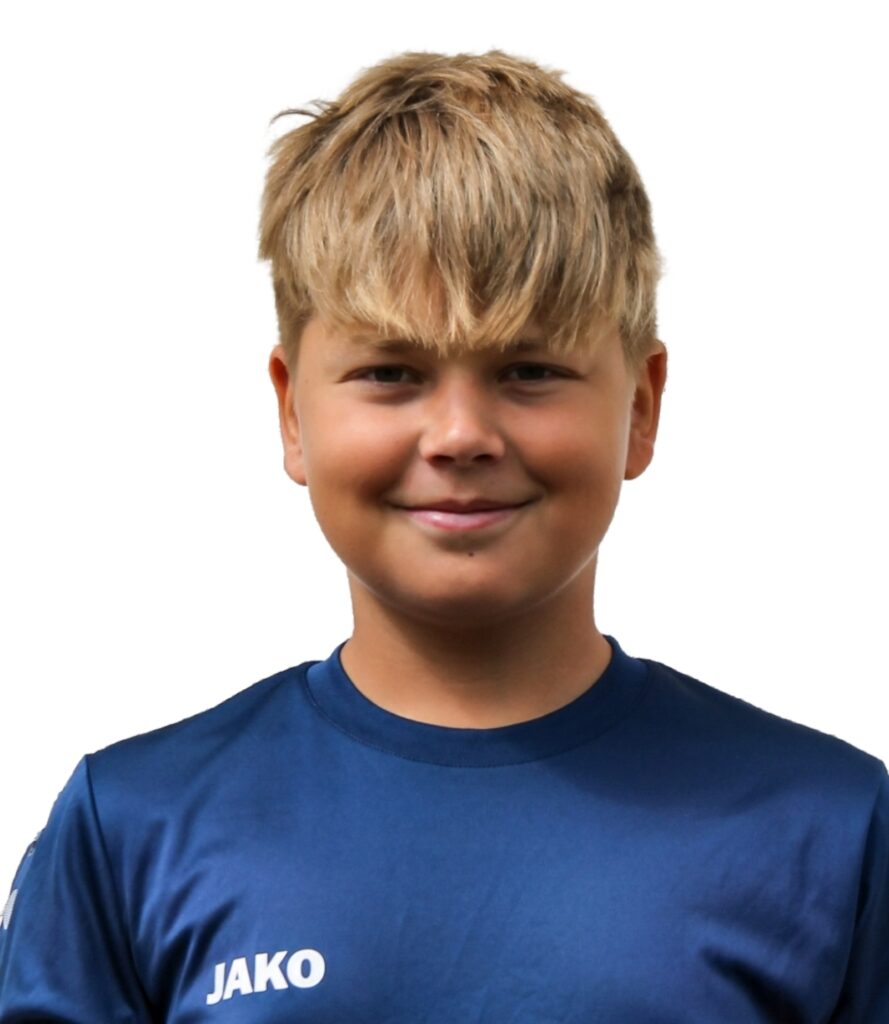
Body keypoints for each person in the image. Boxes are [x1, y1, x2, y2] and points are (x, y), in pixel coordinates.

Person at [0, 48, 886, 1023]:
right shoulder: (131, 829)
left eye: (528, 370)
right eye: (391, 373)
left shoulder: (832, 831)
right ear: (292, 412)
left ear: (640, 406)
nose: (460, 434)